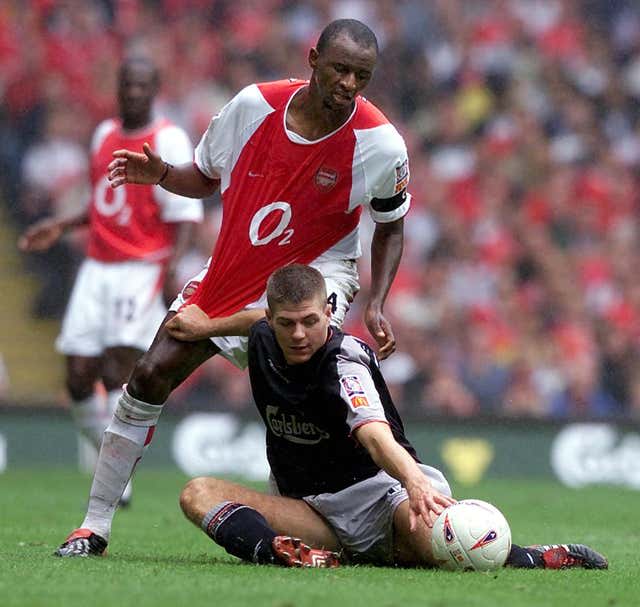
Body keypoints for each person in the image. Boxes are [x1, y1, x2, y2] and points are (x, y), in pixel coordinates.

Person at [55, 19, 412, 556]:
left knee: (304, 376)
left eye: (362, 76)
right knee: (149, 374)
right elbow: (203, 176)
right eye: (340, 69)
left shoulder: (380, 143)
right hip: (238, 265)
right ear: (312, 58)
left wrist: (379, 301)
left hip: (320, 275)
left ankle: (343, 509)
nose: (349, 85)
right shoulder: (252, 106)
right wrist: (161, 174)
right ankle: (95, 525)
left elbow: (391, 222)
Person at [177, 264, 608, 570]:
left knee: (451, 546)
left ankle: (535, 557)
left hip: (383, 498)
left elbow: (375, 436)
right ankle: (284, 552)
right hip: (309, 511)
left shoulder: (344, 362)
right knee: (197, 493)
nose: (299, 334)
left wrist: (414, 480)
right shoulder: (263, 334)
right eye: (287, 324)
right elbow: (254, 321)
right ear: (272, 320)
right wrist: (205, 327)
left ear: (329, 311)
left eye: (310, 320)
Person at [19, 57, 203, 505]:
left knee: (121, 370)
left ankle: (114, 476)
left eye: (142, 85)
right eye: (127, 84)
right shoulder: (104, 134)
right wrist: (62, 225)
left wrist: (174, 270)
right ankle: (109, 463)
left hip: (141, 267)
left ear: (154, 88)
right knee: (79, 374)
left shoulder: (169, 138)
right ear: (117, 88)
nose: (133, 92)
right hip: (98, 266)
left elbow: (187, 214)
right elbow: (105, 203)